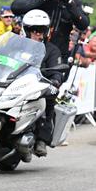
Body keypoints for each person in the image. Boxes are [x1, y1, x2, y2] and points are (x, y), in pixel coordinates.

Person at [11, 0, 90, 66]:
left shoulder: (73, 1)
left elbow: (83, 24)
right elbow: (16, 8)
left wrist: (70, 3)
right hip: (33, 50)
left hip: (59, 54)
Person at [19, 9, 63, 161]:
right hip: (14, 83)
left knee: (47, 99)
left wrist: (56, 80)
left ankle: (41, 139)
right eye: (34, 30)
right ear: (27, 30)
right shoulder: (17, 45)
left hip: (36, 87)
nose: (38, 34)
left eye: (41, 31)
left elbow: (57, 70)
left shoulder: (51, 50)